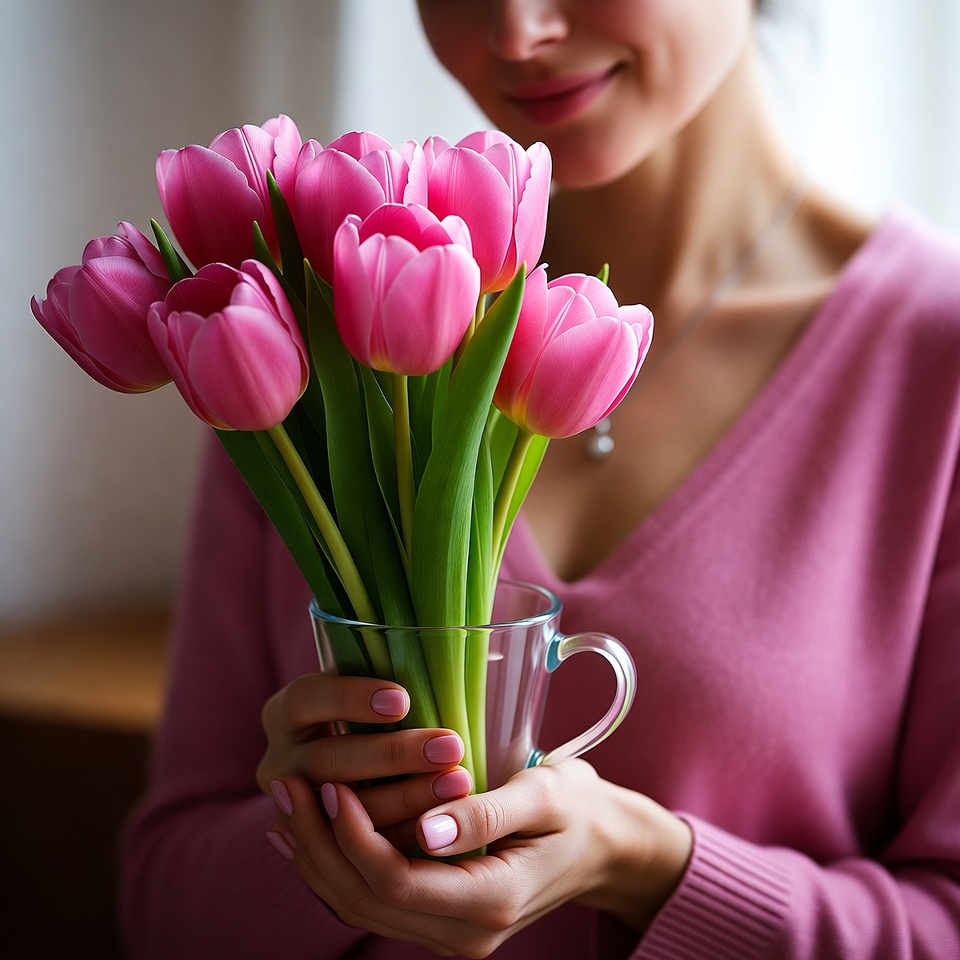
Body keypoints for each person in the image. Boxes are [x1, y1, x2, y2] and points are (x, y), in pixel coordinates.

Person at [120, 1, 960, 957]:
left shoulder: (938, 365)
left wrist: (642, 864)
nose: (515, 32)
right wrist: (325, 835)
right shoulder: (322, 334)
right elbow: (163, 902)